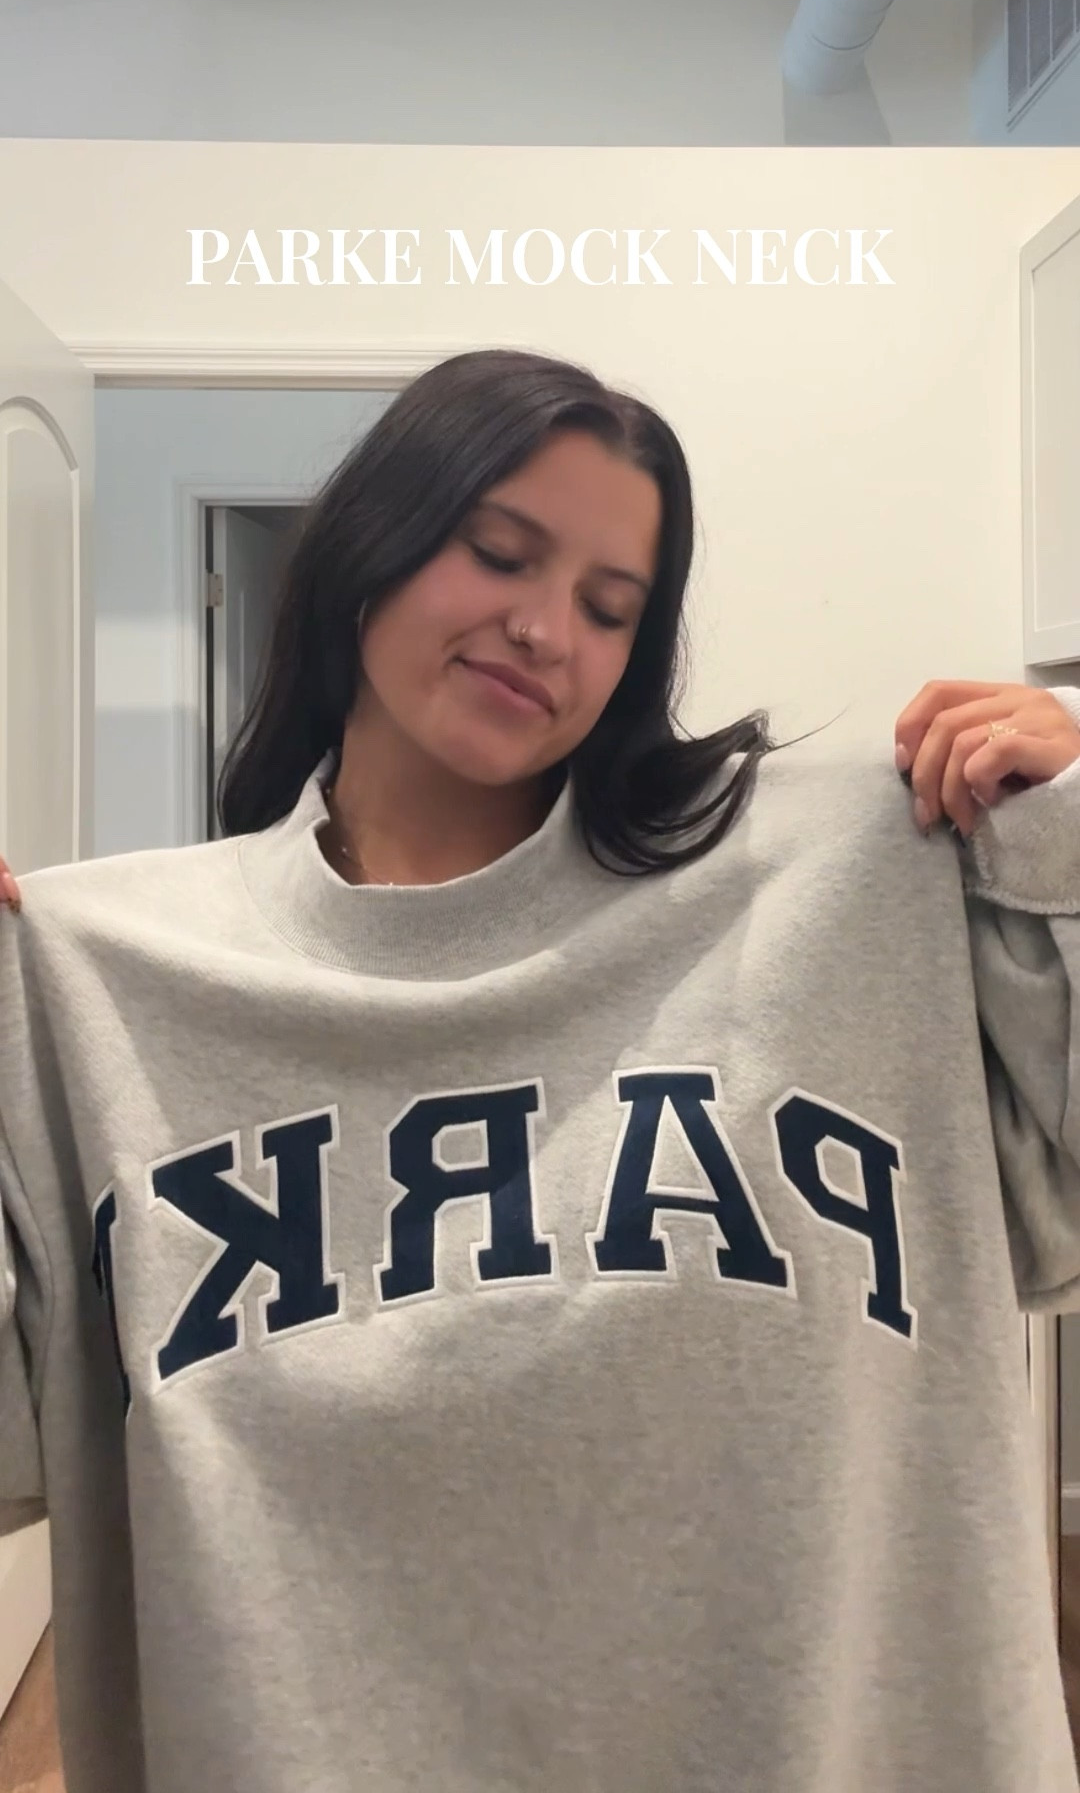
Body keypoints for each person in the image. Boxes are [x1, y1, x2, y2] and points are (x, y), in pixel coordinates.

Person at [1, 346, 1079, 1793]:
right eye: (499, 554)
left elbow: (1062, 1210)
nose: (543, 627)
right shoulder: (114, 982)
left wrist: (1067, 833)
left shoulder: (836, 888)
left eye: (609, 607)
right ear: (371, 547)